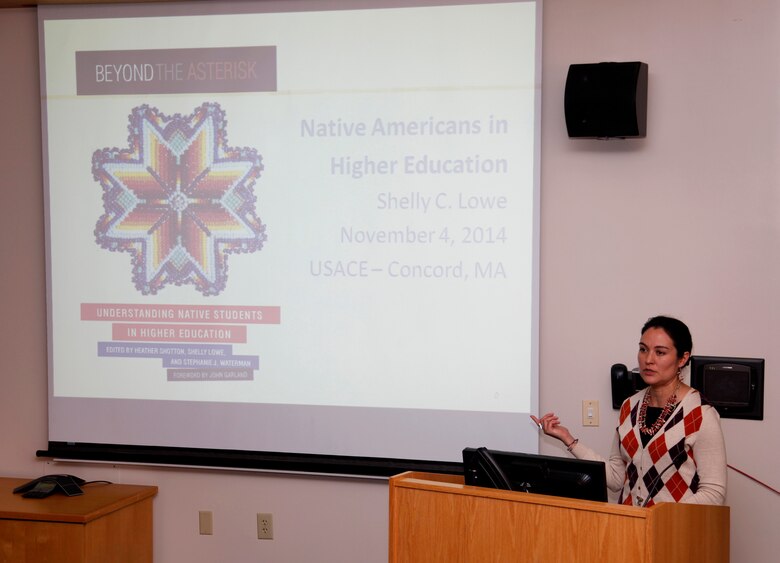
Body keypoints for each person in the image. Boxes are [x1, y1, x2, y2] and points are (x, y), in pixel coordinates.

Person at [531, 315, 727, 506]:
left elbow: (713, 493)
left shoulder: (701, 413)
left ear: (683, 358)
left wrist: (662, 517)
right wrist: (568, 440)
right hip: (630, 529)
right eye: (643, 349)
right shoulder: (629, 406)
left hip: (673, 532)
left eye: (660, 352)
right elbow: (617, 478)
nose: (648, 359)